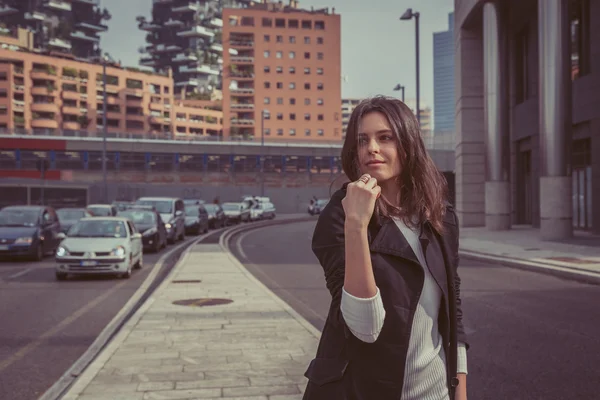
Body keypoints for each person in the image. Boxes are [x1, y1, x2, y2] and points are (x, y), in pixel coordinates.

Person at [303, 96, 469, 400]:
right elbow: (365, 327)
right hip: (362, 390)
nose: (372, 148)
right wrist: (356, 224)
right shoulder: (338, 216)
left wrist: (459, 388)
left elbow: (452, 305)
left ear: (408, 143)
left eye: (385, 137)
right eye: (362, 140)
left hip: (435, 392)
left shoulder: (439, 214)